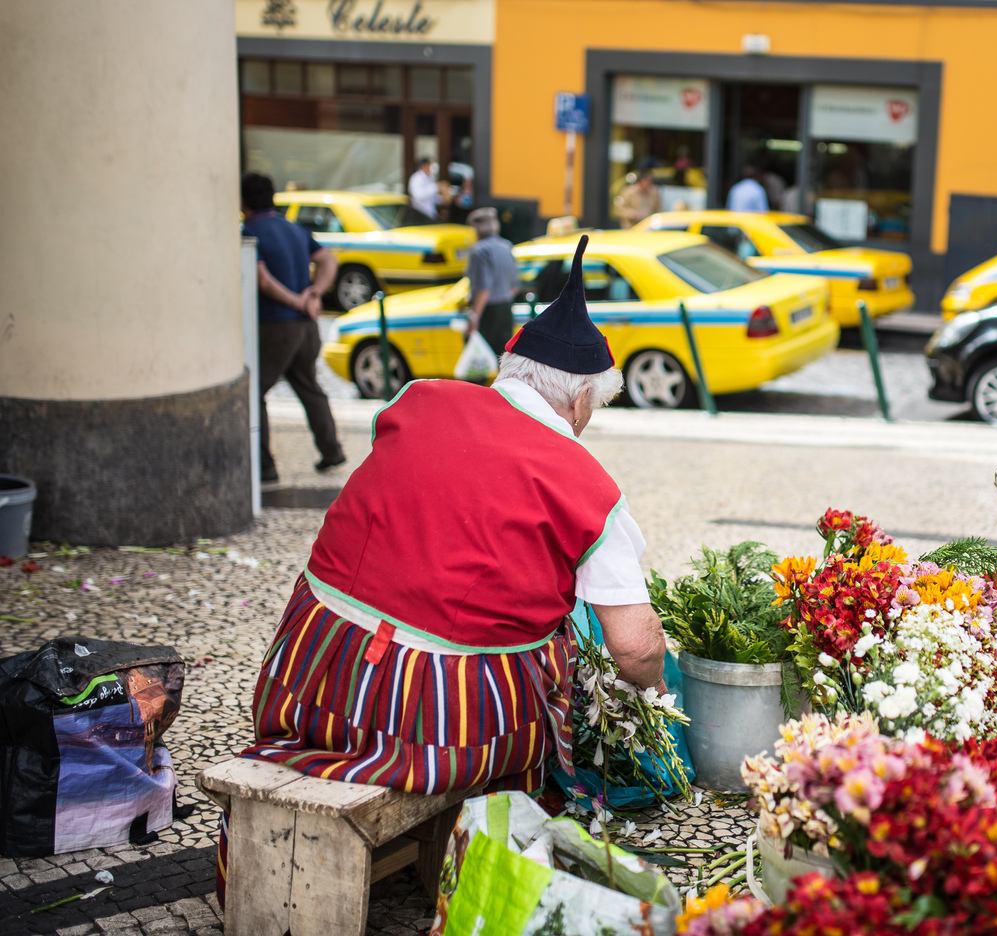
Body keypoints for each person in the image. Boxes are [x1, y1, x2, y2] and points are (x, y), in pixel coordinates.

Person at [216, 234, 666, 902]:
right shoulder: (584, 483)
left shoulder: (416, 401)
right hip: (437, 720)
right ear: (579, 402)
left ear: (510, 370)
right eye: (592, 411)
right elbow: (634, 647)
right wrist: (651, 697)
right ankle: (497, 825)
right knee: (556, 651)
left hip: (307, 677)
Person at [240, 172, 346, 485]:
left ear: (243, 201)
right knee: (310, 387)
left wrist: (297, 301)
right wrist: (314, 293)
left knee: (254, 392)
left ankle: (265, 468)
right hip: (307, 328)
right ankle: (332, 451)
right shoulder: (295, 229)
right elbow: (328, 261)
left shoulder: (250, 232)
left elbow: (261, 279)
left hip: (276, 326)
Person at [465, 206, 520, 354]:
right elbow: (515, 286)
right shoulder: (506, 246)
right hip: (506, 309)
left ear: (476, 229)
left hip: (488, 313)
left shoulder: (479, 250)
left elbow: (483, 289)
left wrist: (475, 317)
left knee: (479, 364)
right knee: (502, 357)